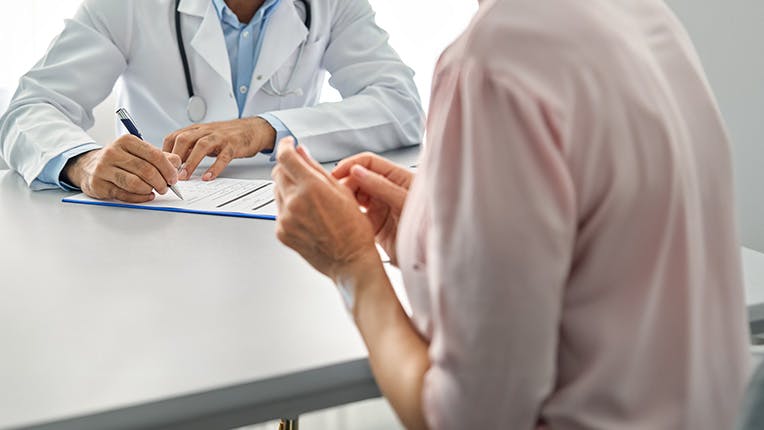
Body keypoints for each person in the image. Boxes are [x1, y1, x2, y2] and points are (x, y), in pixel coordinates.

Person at [271, 0, 750, 428]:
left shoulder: (497, 59)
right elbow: (602, 254)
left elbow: (464, 421)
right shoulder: (645, 17)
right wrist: (434, 227)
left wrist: (351, 263)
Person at [0, 0, 423, 203]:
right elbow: (31, 108)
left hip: (284, 217)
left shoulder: (332, 5)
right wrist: (83, 161)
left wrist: (265, 128)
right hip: (155, 220)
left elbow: (400, 104)